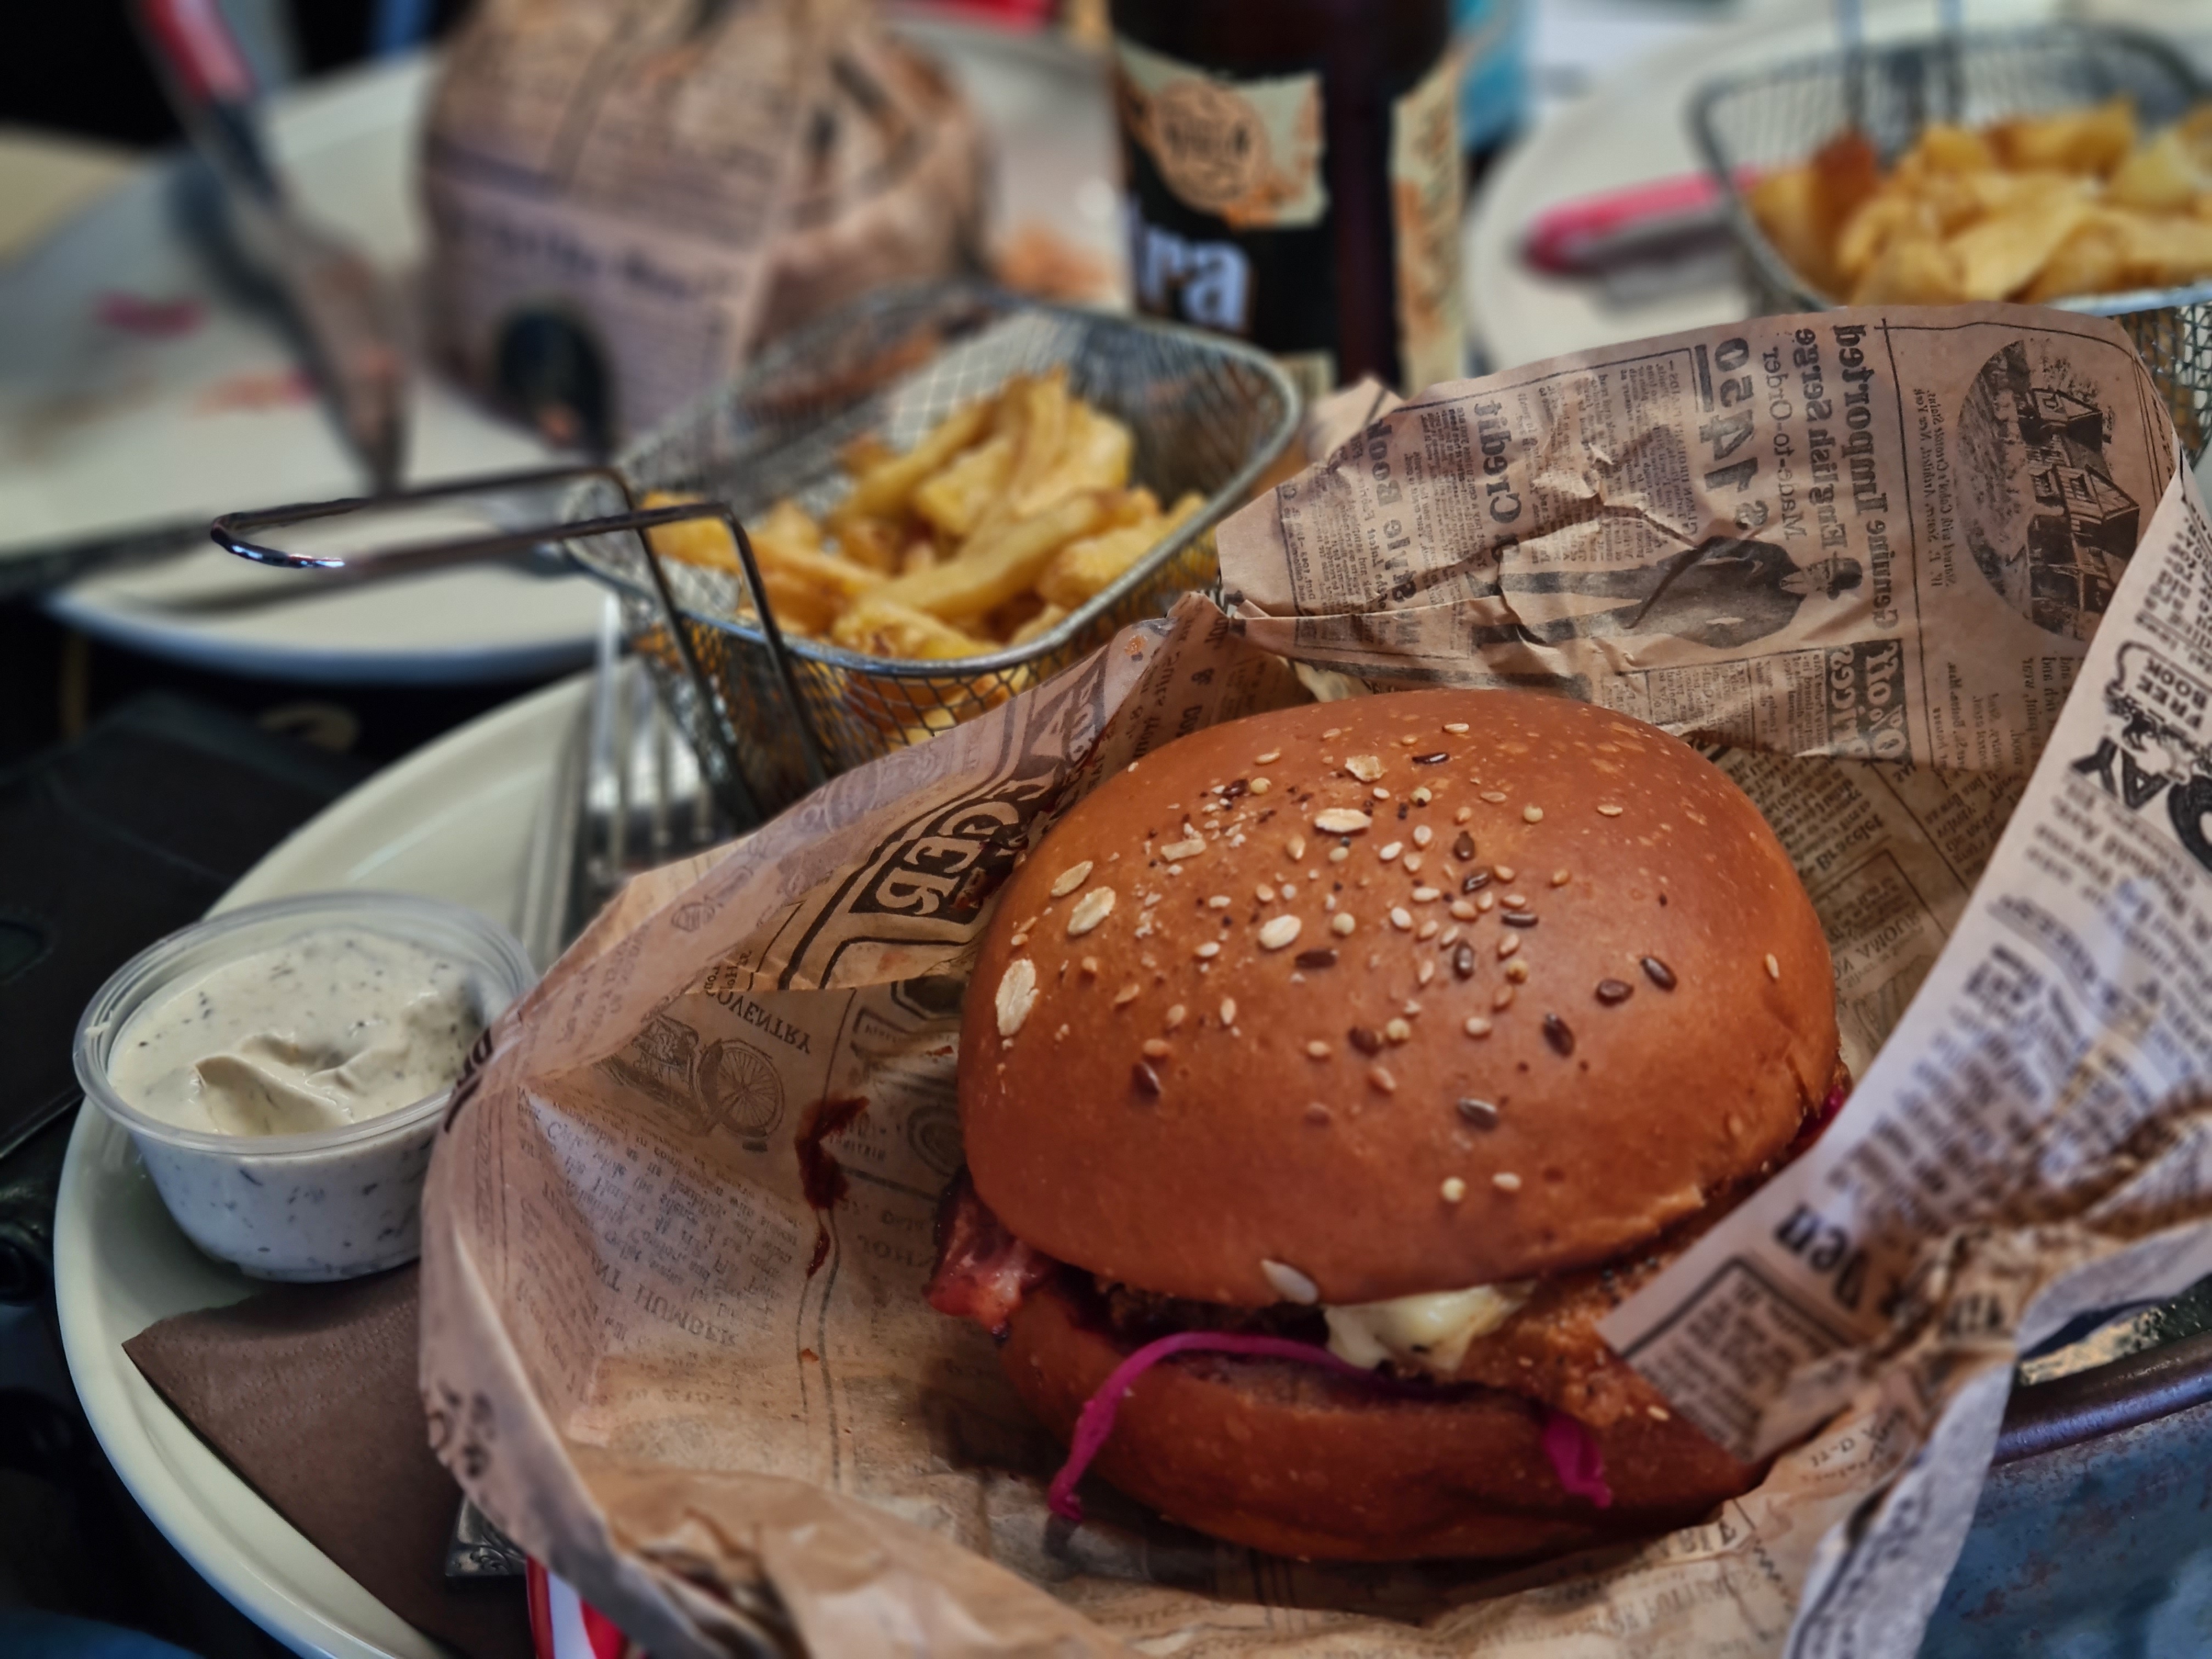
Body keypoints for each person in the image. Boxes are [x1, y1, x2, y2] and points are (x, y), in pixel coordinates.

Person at [1498, 537, 1864, 651]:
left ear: (1827, 589)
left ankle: (1499, 635)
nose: (1819, 567)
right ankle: (1502, 584)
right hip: (1663, 581)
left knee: (1586, 626)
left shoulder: (1781, 614)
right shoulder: (1776, 557)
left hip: (1667, 615)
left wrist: (1682, 624)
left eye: (1827, 573)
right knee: (1584, 583)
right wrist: (1678, 564)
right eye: (1826, 562)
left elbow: (1729, 638)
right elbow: (1722, 545)